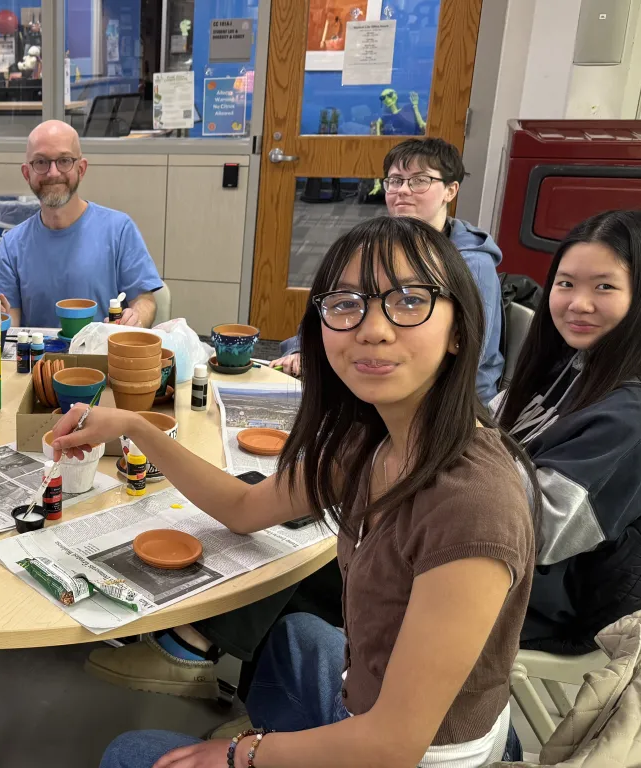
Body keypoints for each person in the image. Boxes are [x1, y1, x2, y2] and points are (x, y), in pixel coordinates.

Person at [57, 216, 535, 767]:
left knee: (130, 753)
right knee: (294, 638)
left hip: (424, 755)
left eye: (408, 301)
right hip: (370, 705)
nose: (373, 329)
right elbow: (243, 508)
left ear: (459, 330)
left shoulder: (474, 504)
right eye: (347, 303)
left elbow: (393, 747)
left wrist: (240, 754)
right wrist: (135, 427)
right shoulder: (375, 439)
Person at [496, 210, 641, 654]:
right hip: (478, 549)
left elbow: (537, 535)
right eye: (565, 283)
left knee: (317, 585)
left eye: (604, 286)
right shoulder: (579, 358)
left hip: (525, 595)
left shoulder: (634, 414)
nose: (578, 303)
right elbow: (494, 422)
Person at [270, 138, 504, 404]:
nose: (403, 190)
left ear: (450, 190)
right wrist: (301, 349)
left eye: (419, 180)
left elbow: (473, 358)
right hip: (382, 380)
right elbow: (333, 308)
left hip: (450, 400)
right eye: (395, 180)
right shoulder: (376, 246)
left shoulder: (471, 263)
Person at [0, 120, 164, 329]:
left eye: (64, 161)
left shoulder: (119, 230)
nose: (53, 173)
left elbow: (145, 300)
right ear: (27, 173)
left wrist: (136, 318)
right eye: (41, 162)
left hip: (102, 357)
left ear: (81, 168)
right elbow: (9, 322)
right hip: (39, 359)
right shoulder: (11, 245)